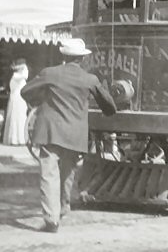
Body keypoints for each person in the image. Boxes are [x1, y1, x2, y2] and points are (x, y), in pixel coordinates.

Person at [20, 38, 117, 233]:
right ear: (82, 58)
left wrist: (42, 100)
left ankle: (51, 220)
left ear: (63, 56)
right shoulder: (90, 79)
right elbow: (110, 107)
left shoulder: (50, 74)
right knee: (67, 174)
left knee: (49, 175)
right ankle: (63, 208)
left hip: (50, 131)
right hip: (75, 134)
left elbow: (25, 91)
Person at [2, 59, 29, 145]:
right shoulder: (16, 76)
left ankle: (19, 138)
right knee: (17, 118)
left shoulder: (17, 76)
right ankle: (17, 139)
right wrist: (24, 67)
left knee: (20, 118)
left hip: (18, 98)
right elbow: (25, 76)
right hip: (18, 99)